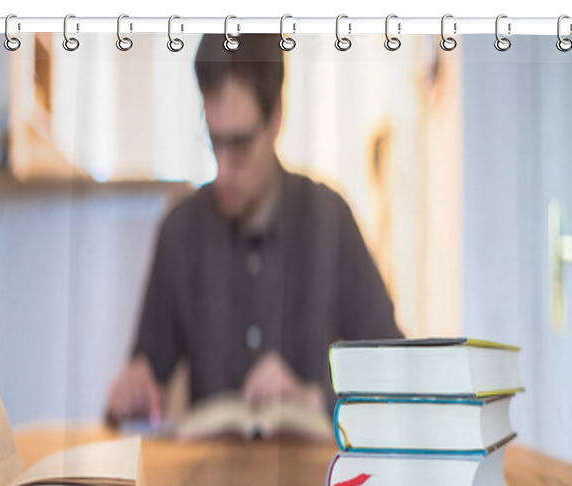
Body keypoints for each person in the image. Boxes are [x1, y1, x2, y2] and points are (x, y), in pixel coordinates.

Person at [107, 34, 402, 424]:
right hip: (207, 479)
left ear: (277, 116)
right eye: (215, 142)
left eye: (241, 144)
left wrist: (314, 397)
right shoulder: (180, 233)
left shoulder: (330, 220)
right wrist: (131, 395)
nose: (224, 168)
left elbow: (397, 371)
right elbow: (145, 377)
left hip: (315, 479)